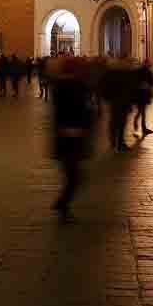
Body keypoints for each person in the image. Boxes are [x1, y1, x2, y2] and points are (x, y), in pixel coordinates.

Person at [50, 56, 93, 221]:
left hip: (66, 137)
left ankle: (62, 204)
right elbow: (75, 111)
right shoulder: (73, 86)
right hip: (70, 137)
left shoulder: (62, 86)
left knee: (74, 176)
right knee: (75, 177)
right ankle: (62, 205)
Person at [132, 61, 153, 137]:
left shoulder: (138, 71)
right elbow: (151, 81)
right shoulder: (147, 72)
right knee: (142, 111)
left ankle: (141, 126)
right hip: (143, 94)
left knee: (141, 111)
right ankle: (141, 127)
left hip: (140, 94)